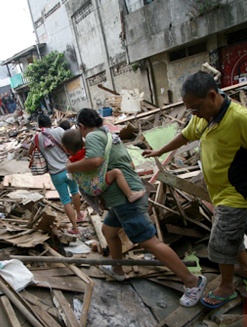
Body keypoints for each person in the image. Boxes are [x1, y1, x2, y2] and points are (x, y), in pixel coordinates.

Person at [143, 71, 247, 309]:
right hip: (220, 193)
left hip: (238, 192)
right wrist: (160, 151)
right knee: (230, 235)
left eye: (196, 108)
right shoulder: (203, 116)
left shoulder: (241, 118)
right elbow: (185, 136)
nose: (193, 113)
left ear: (212, 95)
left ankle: (226, 287)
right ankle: (246, 269)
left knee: (219, 242)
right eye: (190, 110)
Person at [67, 108, 207, 307]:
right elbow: (131, 165)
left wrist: (71, 167)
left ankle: (193, 282)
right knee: (108, 230)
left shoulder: (91, 138)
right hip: (125, 195)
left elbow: (95, 161)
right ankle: (118, 270)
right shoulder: (110, 136)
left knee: (150, 242)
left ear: (81, 127)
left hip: (125, 200)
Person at [29, 114, 85, 236]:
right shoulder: (59, 131)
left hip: (55, 174)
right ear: (50, 123)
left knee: (65, 200)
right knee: (75, 191)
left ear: (39, 126)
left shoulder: (37, 138)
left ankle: (75, 228)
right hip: (69, 167)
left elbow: (30, 151)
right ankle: (79, 214)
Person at [62, 128, 145, 203]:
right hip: (97, 184)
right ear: (83, 143)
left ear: (66, 149)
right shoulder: (89, 154)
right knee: (117, 172)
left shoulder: (71, 161)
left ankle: (101, 202)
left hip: (87, 188)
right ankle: (130, 195)